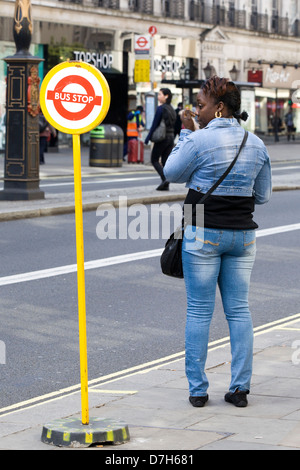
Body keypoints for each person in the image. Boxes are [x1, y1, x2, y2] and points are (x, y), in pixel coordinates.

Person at [164, 76, 272, 409]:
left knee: (199, 312)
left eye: (200, 105)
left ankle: (198, 390)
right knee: (239, 312)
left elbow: (171, 172)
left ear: (219, 107)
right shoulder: (256, 143)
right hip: (242, 233)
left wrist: (184, 134)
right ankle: (239, 389)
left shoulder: (197, 139)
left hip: (202, 228)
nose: (196, 111)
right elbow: (264, 196)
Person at [145, 88, 176, 190]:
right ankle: (165, 185)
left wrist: (148, 138)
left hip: (162, 137)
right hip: (171, 138)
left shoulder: (161, 108)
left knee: (154, 159)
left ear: (166, 96)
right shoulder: (172, 109)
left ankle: (165, 179)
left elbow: (154, 124)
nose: (158, 96)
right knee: (164, 160)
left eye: (160, 94)